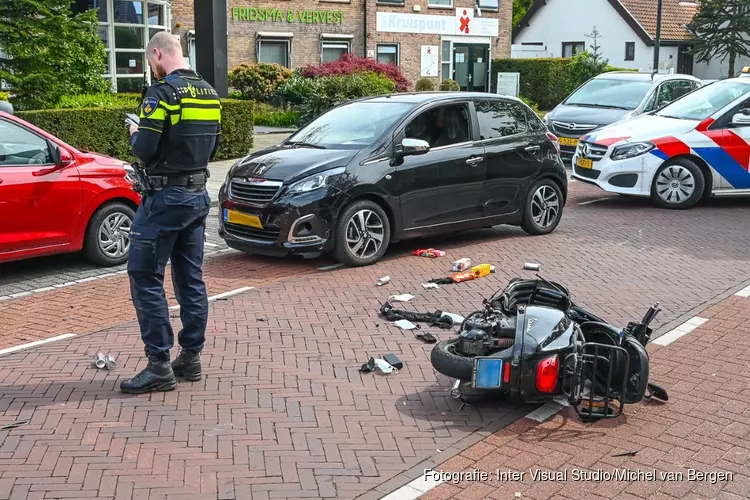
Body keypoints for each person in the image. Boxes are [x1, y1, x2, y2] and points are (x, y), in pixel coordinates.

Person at [120, 32, 221, 394]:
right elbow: (214, 145)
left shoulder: (161, 93)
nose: (152, 68)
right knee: (190, 279)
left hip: (164, 200)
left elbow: (145, 150)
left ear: (158, 54)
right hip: (196, 197)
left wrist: (136, 131)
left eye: (151, 62)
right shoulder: (210, 93)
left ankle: (158, 365)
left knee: (144, 276)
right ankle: (190, 358)